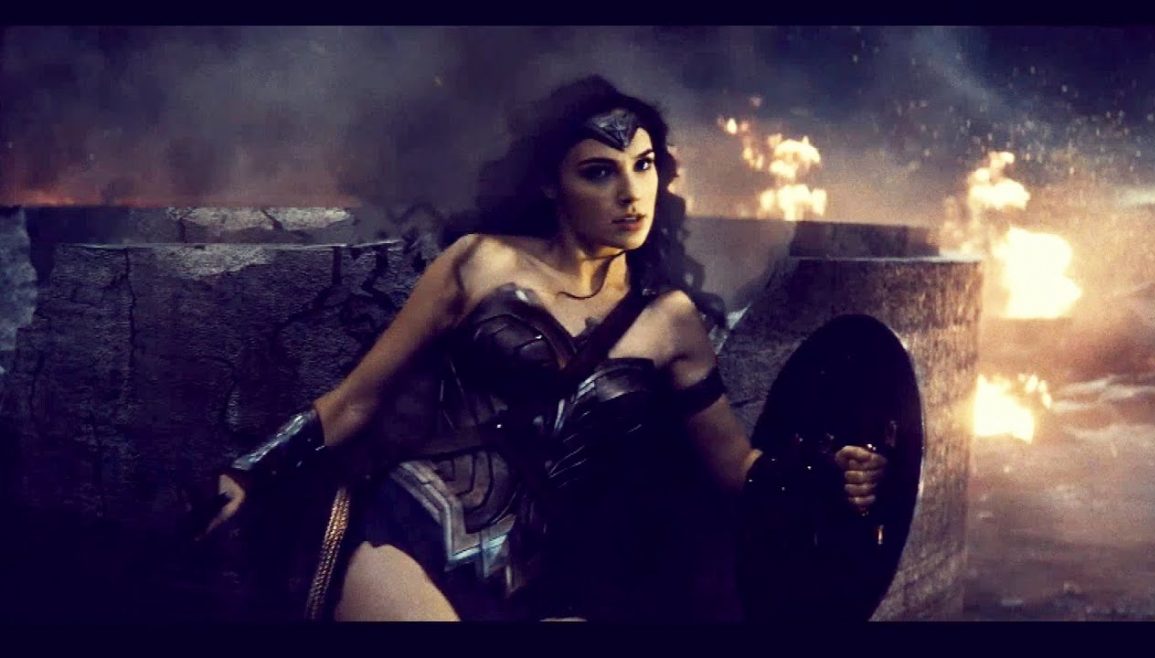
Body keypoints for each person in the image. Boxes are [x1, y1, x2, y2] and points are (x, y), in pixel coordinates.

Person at [198, 75, 887, 621]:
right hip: (412, 530)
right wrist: (251, 473)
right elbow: (356, 401)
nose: (630, 193)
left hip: (546, 577)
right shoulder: (480, 263)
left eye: (643, 166)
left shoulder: (670, 321)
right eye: (599, 172)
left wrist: (829, 474)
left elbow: (734, 466)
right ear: (550, 185)